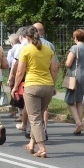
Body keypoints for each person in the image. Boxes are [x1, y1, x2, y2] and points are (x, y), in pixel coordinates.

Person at [11, 26, 58, 158]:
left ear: (27, 37)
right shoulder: (48, 50)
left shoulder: (26, 49)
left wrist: (15, 86)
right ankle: (32, 144)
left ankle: (42, 148)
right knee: (38, 116)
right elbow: (53, 70)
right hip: (47, 85)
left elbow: (20, 71)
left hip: (32, 86)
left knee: (35, 118)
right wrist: (54, 86)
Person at [64, 29, 84, 134]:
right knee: (80, 101)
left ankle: (78, 123)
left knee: (70, 100)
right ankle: (79, 123)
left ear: (75, 38)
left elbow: (68, 63)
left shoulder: (75, 48)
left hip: (75, 76)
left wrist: (66, 63)